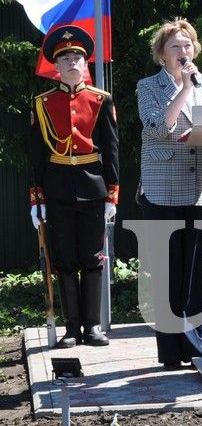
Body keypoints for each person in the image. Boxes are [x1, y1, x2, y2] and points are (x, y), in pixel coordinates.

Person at [137, 18, 202, 370]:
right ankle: (172, 353)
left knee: (198, 271)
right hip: (164, 190)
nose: (183, 51)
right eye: (176, 46)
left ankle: (197, 348)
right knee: (170, 271)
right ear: (162, 54)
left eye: (188, 45)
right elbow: (158, 128)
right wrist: (185, 89)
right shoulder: (149, 86)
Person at [29, 25, 119, 348]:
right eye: (65, 57)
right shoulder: (42, 104)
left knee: (93, 258)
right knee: (64, 259)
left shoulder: (101, 100)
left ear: (86, 64)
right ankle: (72, 328)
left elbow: (111, 149)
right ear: (56, 65)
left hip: (93, 189)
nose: (71, 62)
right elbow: (37, 154)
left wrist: (112, 193)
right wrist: (36, 199)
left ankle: (93, 326)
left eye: (77, 57)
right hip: (56, 190)